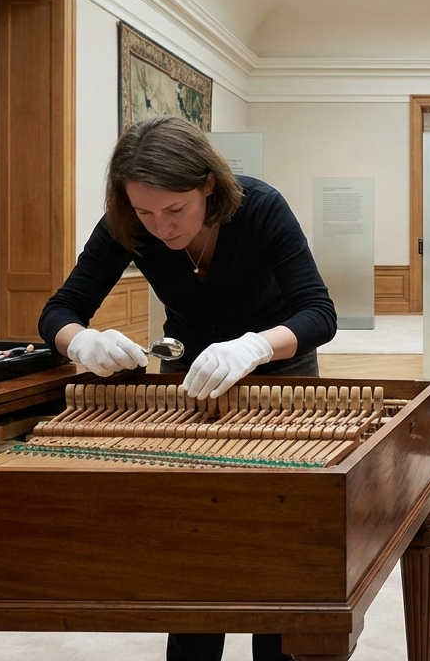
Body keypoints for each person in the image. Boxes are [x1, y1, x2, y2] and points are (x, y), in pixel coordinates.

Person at [38, 114, 337, 661]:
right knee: (195, 534)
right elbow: (58, 310)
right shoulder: (127, 222)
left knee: (275, 531)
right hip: (192, 381)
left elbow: (319, 314)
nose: (161, 228)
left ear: (208, 185)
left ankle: (276, 646)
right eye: (146, 213)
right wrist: (81, 341)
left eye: (175, 210)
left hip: (277, 377)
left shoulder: (261, 208)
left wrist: (254, 346)